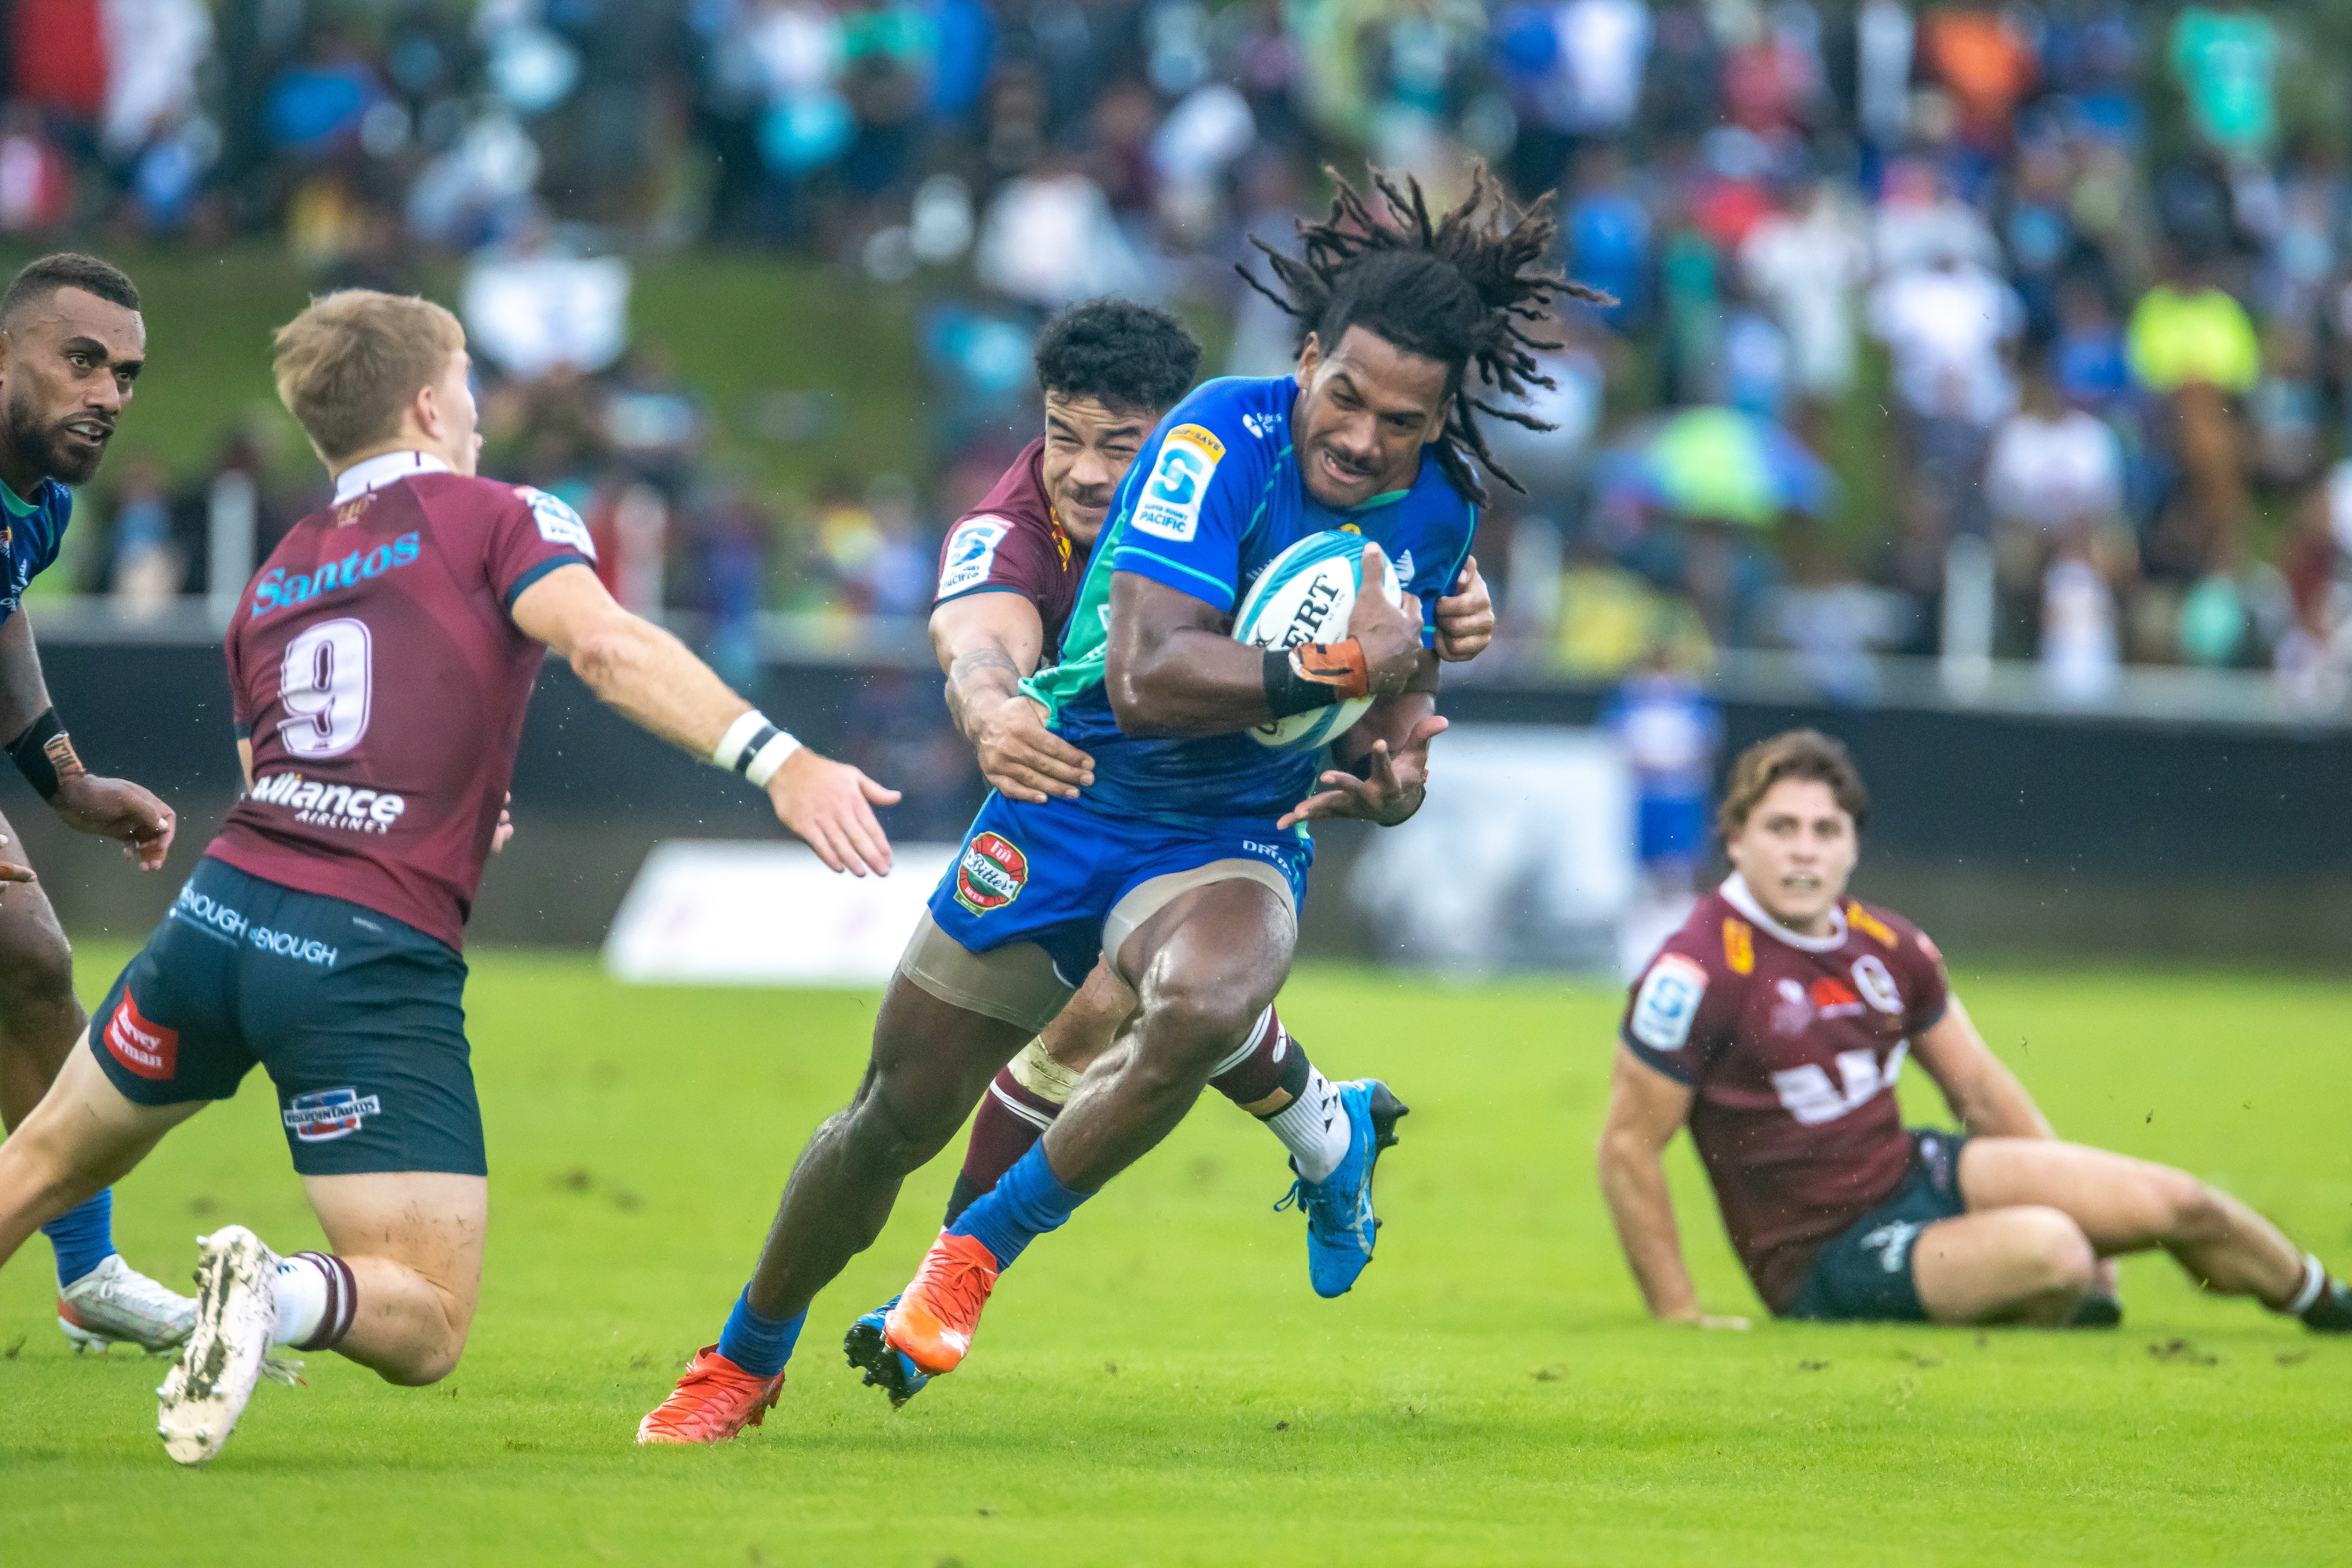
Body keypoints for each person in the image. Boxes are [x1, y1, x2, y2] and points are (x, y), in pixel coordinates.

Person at [636, 165, 1594, 1444]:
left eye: (1404, 421)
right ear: (1307, 361)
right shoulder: (1198, 446)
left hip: (1232, 834)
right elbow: (1136, 681)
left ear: (1442, 418)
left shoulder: (1444, 505)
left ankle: (970, 1261)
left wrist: (1401, 760)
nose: (1367, 439)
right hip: (1073, 797)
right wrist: (998, 705)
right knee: (891, 1122)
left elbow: (1397, 681)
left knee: (1200, 1001)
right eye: (1348, 399)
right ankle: (743, 1359)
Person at [0, 289, 898, 1466]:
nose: (477, 411)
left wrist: (447, 787)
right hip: (362, 948)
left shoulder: (276, 575)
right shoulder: (503, 515)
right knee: (424, 1319)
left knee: (33, 1167)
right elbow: (605, 644)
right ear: (429, 403)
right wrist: (781, 763)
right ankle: (274, 1290)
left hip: (214, 923)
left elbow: (277, 771)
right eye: (469, 385)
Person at [926, 296, 1498, 1303]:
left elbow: (1382, 566)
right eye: (1065, 438)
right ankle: (1329, 1129)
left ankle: (943, 1282)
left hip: (1215, 802)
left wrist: (1445, 604)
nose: (1089, 472)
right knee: (1114, 1013)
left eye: (1123, 446)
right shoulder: (1012, 528)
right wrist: (988, 704)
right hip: (1080, 784)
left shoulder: (1231, 491)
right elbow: (977, 637)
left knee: (1127, 1004)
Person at [1597, 729, 2352, 1332]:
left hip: (1914, 1173)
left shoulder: (1889, 945)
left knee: (2183, 1202)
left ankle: (2323, 1299)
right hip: (1825, 1253)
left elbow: (1980, 1089)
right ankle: (2038, 1297)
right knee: (2055, 1250)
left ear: (1853, 845)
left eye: (1826, 830)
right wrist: (1680, 1314)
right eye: (1781, 828)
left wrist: (2090, 1212)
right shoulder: (1697, 971)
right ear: (1735, 839)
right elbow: (1628, 1146)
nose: (1804, 849)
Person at [0, 252, 191, 1354]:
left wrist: (64, 780)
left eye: (125, 374)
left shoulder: (41, 506)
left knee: (25, 957)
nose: (109, 394)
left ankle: (90, 1273)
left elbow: (1, 612)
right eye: (81, 361)